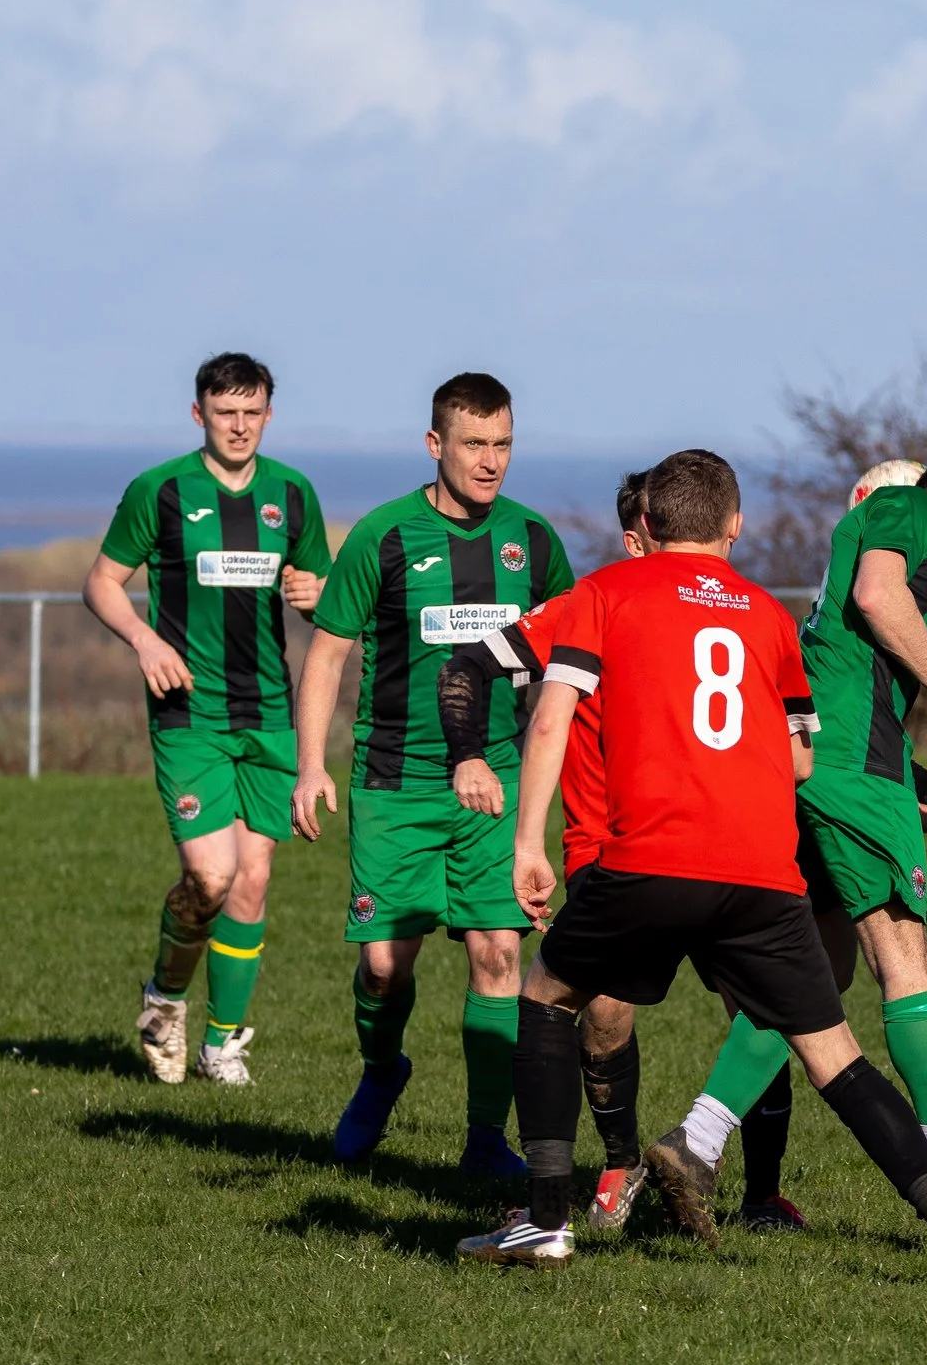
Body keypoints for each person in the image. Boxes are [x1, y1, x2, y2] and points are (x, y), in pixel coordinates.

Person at [455, 449, 927, 1282]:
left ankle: (553, 1217)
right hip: (758, 868)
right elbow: (799, 757)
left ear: (644, 526)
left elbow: (544, 721)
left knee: (548, 996)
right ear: (735, 526)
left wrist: (524, 840)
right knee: (845, 1044)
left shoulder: (604, 593)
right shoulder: (778, 606)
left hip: (644, 858)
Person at [644, 456, 927, 1252]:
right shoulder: (909, 511)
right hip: (849, 772)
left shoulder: (892, 540)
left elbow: (847, 691)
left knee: (818, 974)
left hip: (823, 769)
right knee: (907, 957)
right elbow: (876, 598)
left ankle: (697, 1143)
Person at [295, 372, 574, 1178]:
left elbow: (573, 651)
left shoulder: (533, 540)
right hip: (394, 782)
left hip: (498, 787)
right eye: (474, 444)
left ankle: (486, 1138)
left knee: (497, 955)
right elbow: (328, 653)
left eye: (503, 445)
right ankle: (383, 1069)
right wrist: (311, 764)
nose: (491, 462)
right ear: (435, 445)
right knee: (385, 967)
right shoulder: (384, 535)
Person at [85, 352, 332, 1086]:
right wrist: (144, 638)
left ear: (268, 415)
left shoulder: (292, 493)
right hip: (188, 713)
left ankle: (222, 1046)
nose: (239, 427)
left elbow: (319, 590)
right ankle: (164, 997)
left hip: (269, 717)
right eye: (226, 414)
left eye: (252, 413)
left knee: (253, 881)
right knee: (211, 876)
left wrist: (312, 593)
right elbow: (101, 582)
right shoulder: (159, 491)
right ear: (199, 415)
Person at [419, 468, 656, 1232]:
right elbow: (466, 667)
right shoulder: (588, 608)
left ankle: (749, 1186)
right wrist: (468, 752)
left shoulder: (726, 611)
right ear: (636, 540)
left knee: (776, 1009)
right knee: (605, 1012)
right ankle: (617, 1163)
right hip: (605, 851)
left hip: (707, 844)